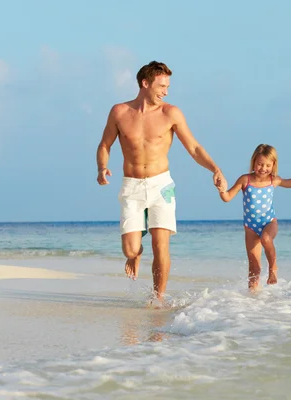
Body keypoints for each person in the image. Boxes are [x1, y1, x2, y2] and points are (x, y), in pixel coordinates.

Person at [96, 61, 226, 304]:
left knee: (161, 245)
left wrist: (215, 169)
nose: (166, 91)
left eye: (167, 86)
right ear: (145, 84)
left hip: (161, 186)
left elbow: (194, 147)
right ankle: (135, 256)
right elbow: (105, 144)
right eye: (162, 86)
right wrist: (102, 167)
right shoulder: (119, 112)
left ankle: (158, 298)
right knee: (131, 249)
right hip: (132, 186)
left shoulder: (171, 113)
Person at [218, 144, 291, 291]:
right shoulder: (245, 180)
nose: (263, 168)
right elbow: (227, 197)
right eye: (260, 164)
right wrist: (221, 190)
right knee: (254, 268)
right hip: (250, 227)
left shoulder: (273, 180)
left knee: (266, 239)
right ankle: (253, 299)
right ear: (253, 162)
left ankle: (273, 268)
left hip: (269, 222)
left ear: (273, 165)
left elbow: (290, 182)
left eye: (268, 165)